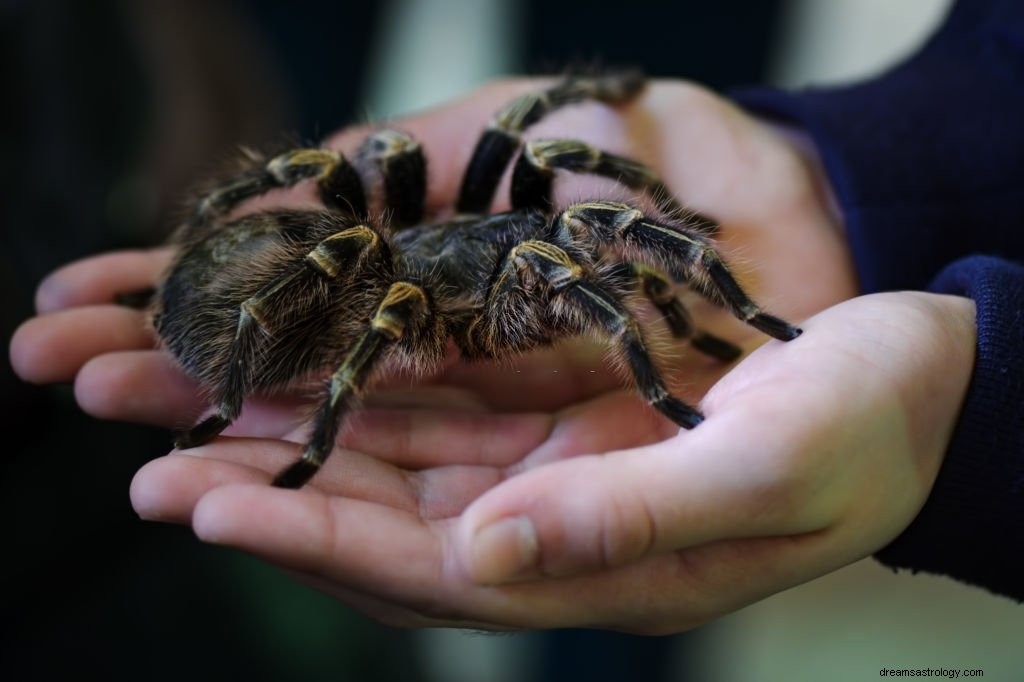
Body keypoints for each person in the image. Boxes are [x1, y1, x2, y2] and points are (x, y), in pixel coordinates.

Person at [9, 0, 1022, 633]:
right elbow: (337, 204)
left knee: (525, 151)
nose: (572, 244)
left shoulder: (494, 237)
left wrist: (784, 202)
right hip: (301, 301)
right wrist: (247, 404)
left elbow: (551, 159)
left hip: (353, 269)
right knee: (352, 198)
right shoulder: (407, 275)